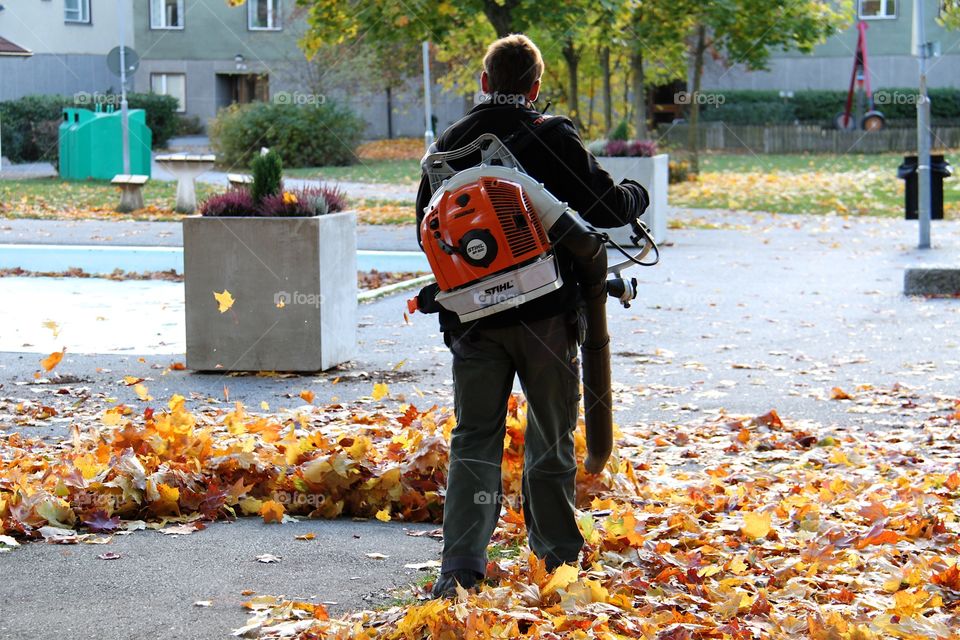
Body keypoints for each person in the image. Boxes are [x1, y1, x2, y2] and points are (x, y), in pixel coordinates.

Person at [415, 34, 649, 599]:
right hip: (546, 316)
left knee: (474, 437)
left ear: (484, 82)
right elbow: (607, 208)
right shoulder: (552, 135)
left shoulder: (446, 147)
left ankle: (460, 570)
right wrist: (637, 194)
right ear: (536, 86)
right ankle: (557, 562)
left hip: (472, 320)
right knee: (551, 435)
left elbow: (426, 229)